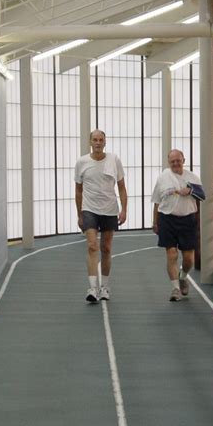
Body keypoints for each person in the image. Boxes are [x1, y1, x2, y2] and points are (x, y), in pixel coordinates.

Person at [74, 129, 127, 303]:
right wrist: (79, 214)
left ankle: (104, 286)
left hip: (109, 209)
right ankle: (92, 287)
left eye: (100, 140)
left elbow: (121, 186)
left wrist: (124, 209)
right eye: (95, 140)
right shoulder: (82, 162)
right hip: (89, 209)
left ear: (105, 142)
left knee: (106, 248)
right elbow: (78, 190)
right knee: (91, 246)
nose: (97, 142)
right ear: (90, 142)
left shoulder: (114, 160)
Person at [152, 149, 205, 302]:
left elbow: (203, 195)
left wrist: (190, 190)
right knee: (172, 254)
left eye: (178, 161)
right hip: (167, 218)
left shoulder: (192, 177)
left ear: (183, 160)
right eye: (172, 161)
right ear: (169, 162)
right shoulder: (163, 177)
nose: (175, 163)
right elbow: (156, 200)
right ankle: (175, 289)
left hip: (187, 219)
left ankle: (183, 276)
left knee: (189, 258)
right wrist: (155, 221)